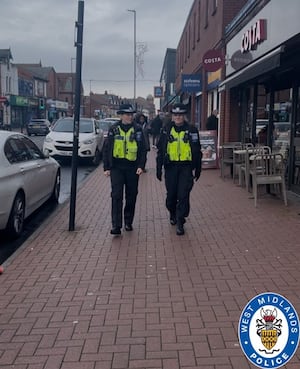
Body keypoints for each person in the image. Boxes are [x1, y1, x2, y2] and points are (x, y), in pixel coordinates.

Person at [156, 103, 202, 236]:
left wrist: (198, 169)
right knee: (171, 196)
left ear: (184, 116)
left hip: (186, 167)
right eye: (175, 115)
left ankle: (180, 221)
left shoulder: (192, 130)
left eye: (180, 115)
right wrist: (159, 168)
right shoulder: (166, 129)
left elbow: (197, 151)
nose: (178, 117)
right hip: (171, 167)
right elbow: (160, 150)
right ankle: (172, 212)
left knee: (183, 195)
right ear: (172, 116)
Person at [103, 103, 147, 235]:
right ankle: (116, 225)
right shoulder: (113, 129)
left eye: (131, 115)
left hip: (132, 168)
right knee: (116, 196)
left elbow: (143, 150)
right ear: (121, 115)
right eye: (127, 115)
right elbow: (107, 149)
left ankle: (128, 222)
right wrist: (106, 167)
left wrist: (141, 166)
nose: (130, 117)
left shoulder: (138, 129)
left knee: (131, 196)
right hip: (117, 168)